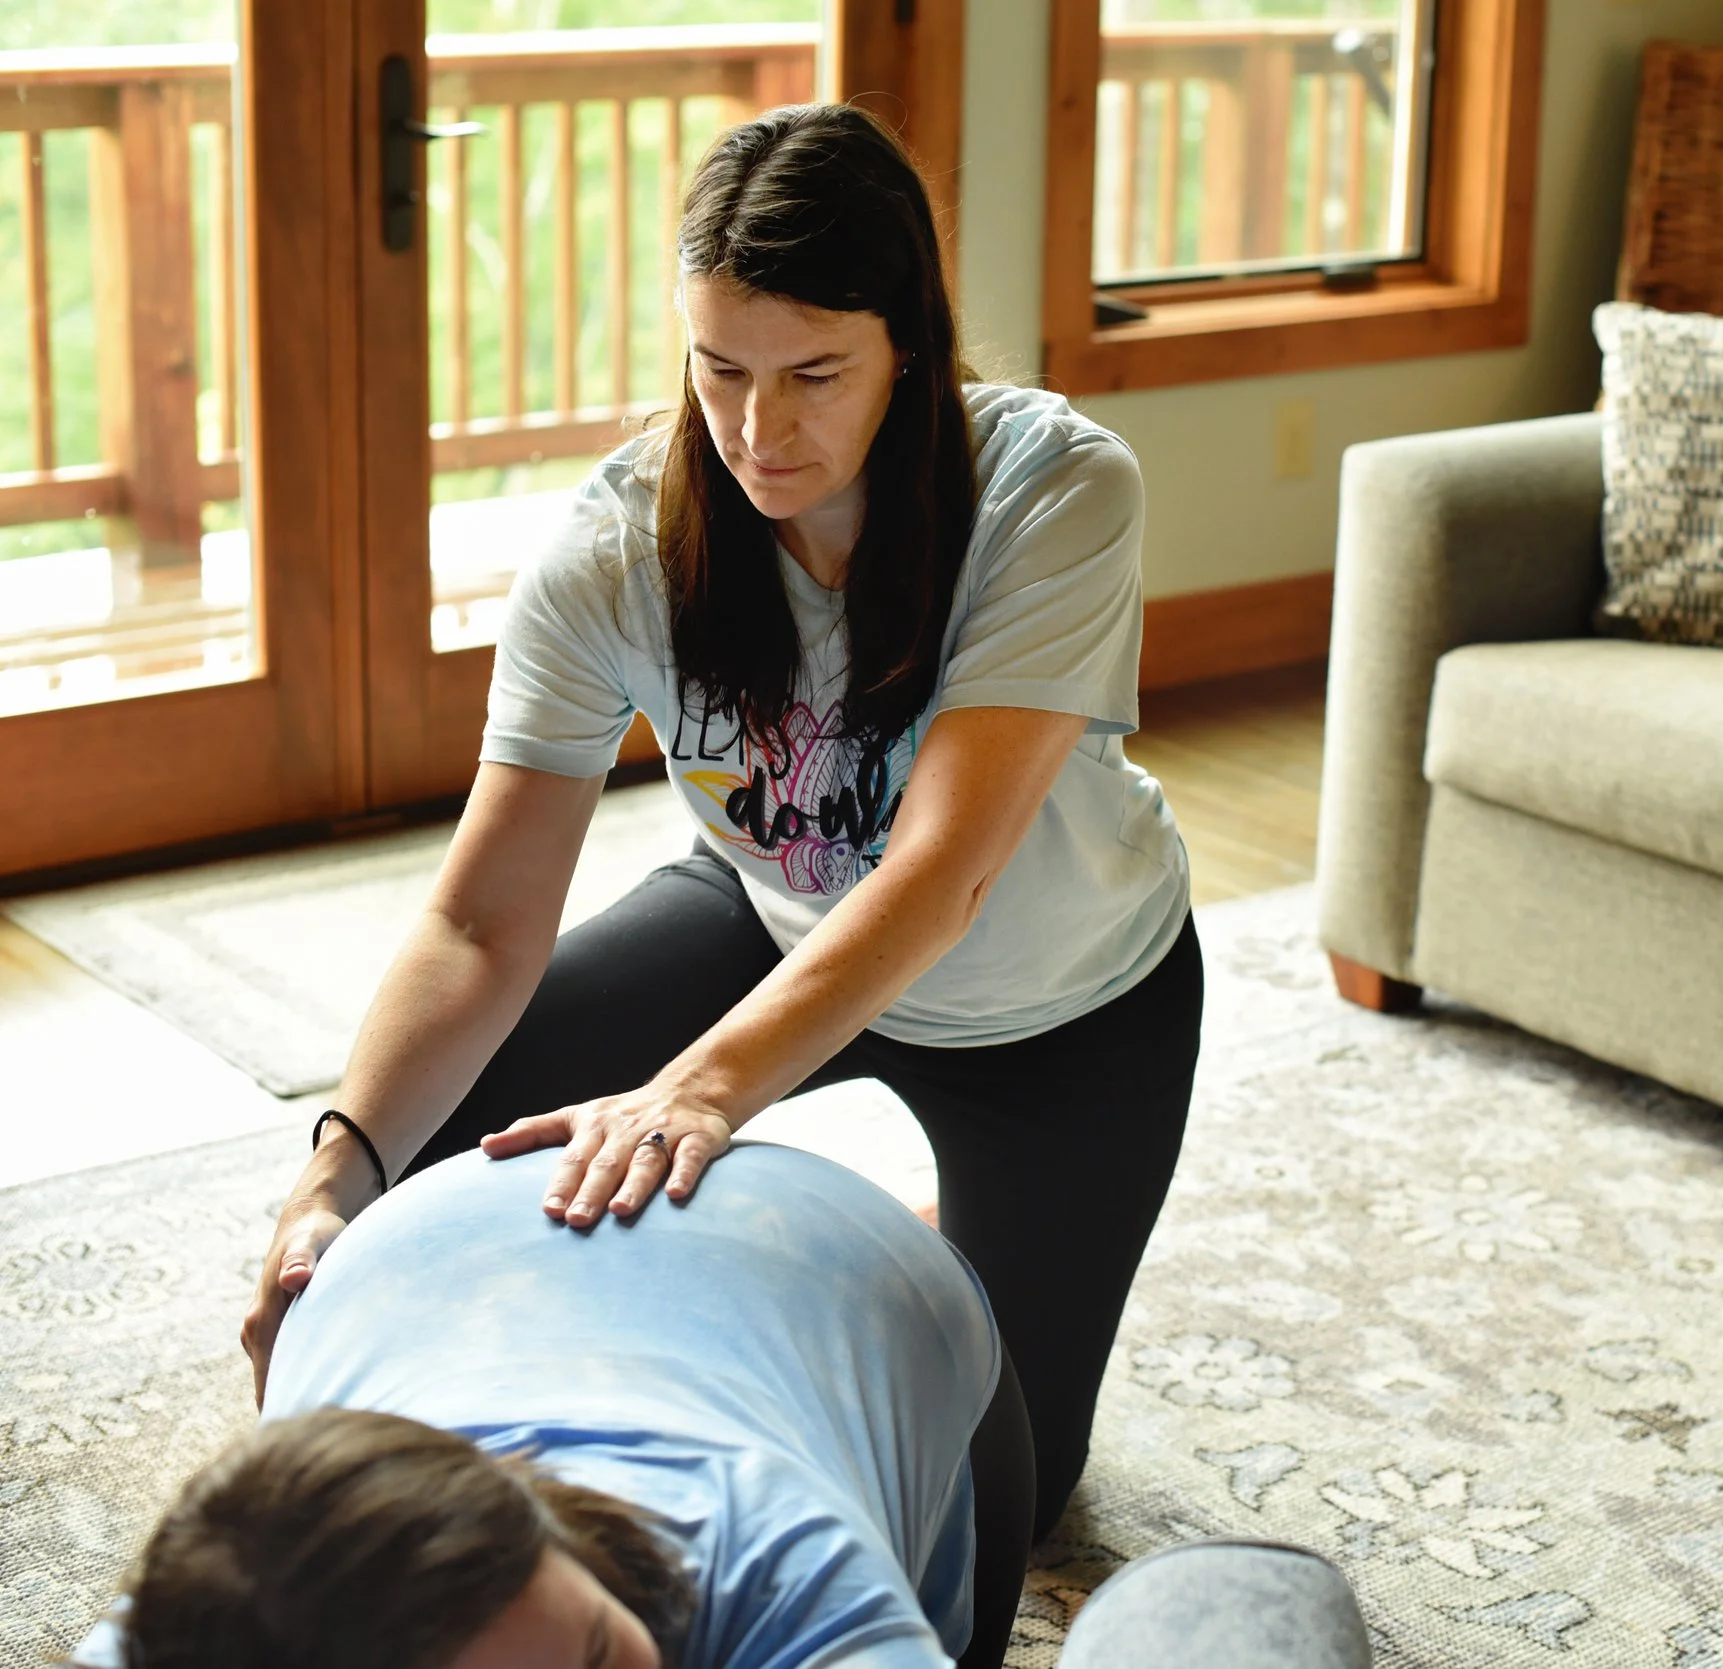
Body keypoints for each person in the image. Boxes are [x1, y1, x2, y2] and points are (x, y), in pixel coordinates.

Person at [238, 100, 1199, 1541]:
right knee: (430, 1170)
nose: (759, 430)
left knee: (1000, 1488)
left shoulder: (1054, 489)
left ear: (908, 346)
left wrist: (693, 1094)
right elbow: (480, 919)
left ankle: (909, 1259)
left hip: (1062, 1002)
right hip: (776, 914)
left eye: (815, 373)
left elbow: (943, 872)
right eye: (720, 368)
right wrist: (337, 1168)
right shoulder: (613, 549)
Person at [95, 1141, 1030, 1669]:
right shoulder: (215, 1611)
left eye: (599, 1655)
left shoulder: (782, 1571)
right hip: (428, 1258)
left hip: (843, 1264)